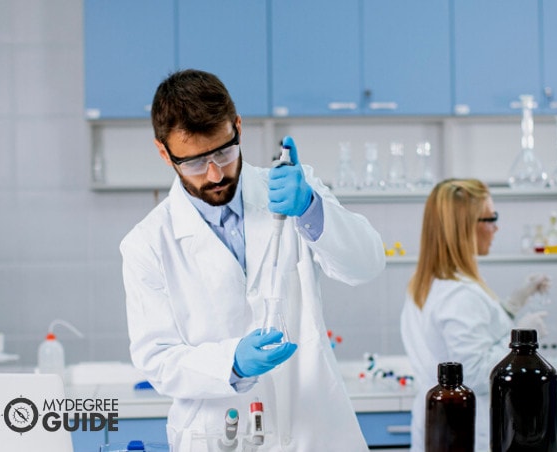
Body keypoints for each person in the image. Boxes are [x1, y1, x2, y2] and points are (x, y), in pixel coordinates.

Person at [120, 69, 386, 451]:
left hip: (313, 428)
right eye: (194, 162)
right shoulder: (146, 243)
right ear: (164, 152)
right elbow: (156, 358)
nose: (214, 174)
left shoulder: (293, 186)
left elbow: (366, 264)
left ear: (238, 128)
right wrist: (232, 362)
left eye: (224, 152)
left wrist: (311, 208)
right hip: (218, 434)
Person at [400, 178, 551, 452]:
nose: (496, 227)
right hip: (466, 431)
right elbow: (475, 373)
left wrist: (513, 304)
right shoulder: (460, 295)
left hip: (438, 425)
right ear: (465, 226)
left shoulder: (426, 284)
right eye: (490, 218)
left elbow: (472, 340)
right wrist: (522, 343)